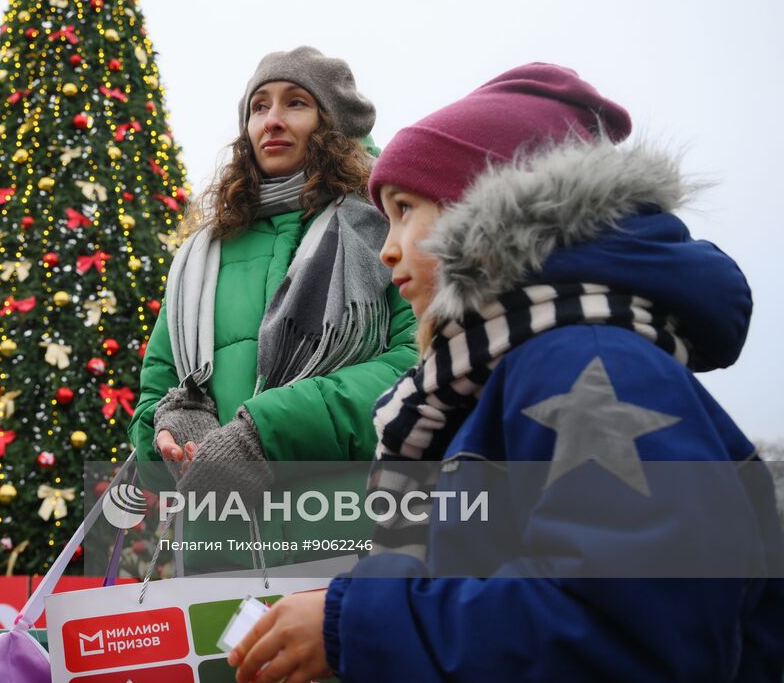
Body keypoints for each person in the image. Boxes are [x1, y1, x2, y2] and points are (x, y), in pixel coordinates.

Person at [230, 63, 784, 681]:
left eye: (406, 209)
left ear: (486, 217)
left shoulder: (587, 364)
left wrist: (353, 625)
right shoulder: (494, 385)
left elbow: (629, 629)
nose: (387, 248)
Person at [128, 47, 417, 564]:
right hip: (218, 548)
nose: (274, 120)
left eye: (296, 103)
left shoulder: (385, 227)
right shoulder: (200, 256)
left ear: (332, 124)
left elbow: (414, 368)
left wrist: (266, 433)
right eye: (259, 106)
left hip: (347, 536)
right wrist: (174, 434)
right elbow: (155, 395)